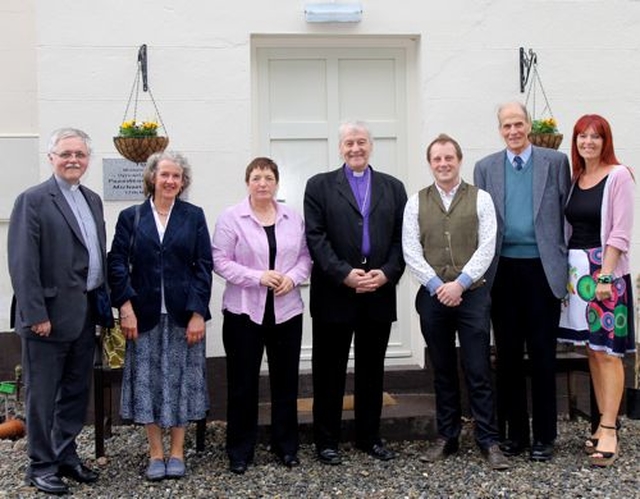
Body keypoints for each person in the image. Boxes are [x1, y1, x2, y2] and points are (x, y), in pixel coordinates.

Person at [8, 128, 113, 494]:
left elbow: (94, 255)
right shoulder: (33, 200)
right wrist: (35, 314)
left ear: (88, 160)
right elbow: (23, 264)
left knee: (74, 392)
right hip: (47, 319)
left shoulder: (93, 199)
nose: (73, 160)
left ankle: (65, 455)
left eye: (80, 154)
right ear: (51, 157)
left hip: (84, 314)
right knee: (42, 394)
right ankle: (40, 465)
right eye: (66, 153)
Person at [403, 134, 509, 470]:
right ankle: (447, 437)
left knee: (478, 369)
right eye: (437, 159)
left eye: (449, 158)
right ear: (430, 163)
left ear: (459, 160)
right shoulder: (415, 202)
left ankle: (488, 440)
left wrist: (460, 284)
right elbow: (410, 250)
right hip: (433, 297)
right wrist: (437, 285)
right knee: (443, 369)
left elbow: (487, 245)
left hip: (472, 295)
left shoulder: (481, 199)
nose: (444, 164)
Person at [304, 121, 407, 465]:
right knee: (329, 370)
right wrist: (345, 274)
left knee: (371, 370)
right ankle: (326, 440)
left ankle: (369, 436)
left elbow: (401, 240)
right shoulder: (319, 186)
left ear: (371, 146)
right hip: (335, 292)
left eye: (361, 142)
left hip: (377, 291)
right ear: (340, 148)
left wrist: (387, 273)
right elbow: (315, 239)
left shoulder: (393, 188)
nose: (355, 148)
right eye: (349, 143)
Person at [474, 102, 571, 462]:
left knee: (544, 355)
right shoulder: (485, 168)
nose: (513, 131)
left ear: (529, 125)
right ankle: (515, 435)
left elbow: (566, 213)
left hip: (542, 269)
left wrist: (564, 265)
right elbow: (484, 223)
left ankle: (545, 437)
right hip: (503, 272)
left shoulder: (555, 162)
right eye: (506, 126)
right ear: (499, 129)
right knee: (509, 356)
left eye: (518, 124)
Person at [108, 151, 212, 481]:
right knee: (148, 384)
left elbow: (204, 266)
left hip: (184, 318)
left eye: (176, 176)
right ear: (152, 177)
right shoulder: (131, 217)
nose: (170, 181)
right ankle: (155, 453)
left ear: (183, 183)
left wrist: (198, 313)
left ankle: (178, 452)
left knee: (182, 381)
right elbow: (117, 265)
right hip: (143, 316)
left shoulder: (193, 216)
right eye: (164, 174)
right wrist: (125, 308)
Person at [212, 157, 312, 474]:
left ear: (277, 182)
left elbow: (306, 257)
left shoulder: (292, 218)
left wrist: (292, 278)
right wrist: (258, 276)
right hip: (244, 314)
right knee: (242, 384)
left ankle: (286, 447)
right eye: (256, 177)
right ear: (247, 183)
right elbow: (219, 260)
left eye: (268, 177)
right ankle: (240, 450)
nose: (262, 183)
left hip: (287, 313)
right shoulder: (231, 218)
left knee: (286, 383)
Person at [557, 114, 635, 467]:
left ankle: (608, 428)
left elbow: (620, 231)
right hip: (579, 276)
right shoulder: (576, 179)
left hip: (605, 275)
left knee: (608, 353)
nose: (588, 142)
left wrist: (605, 276)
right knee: (591, 351)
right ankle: (603, 422)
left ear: (606, 141)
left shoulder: (619, 176)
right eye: (581, 136)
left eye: (595, 137)